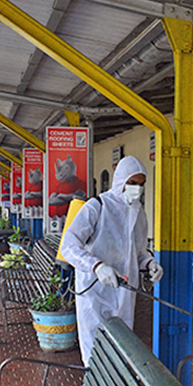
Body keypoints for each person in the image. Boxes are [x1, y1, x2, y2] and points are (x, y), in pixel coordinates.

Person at [60, 156, 164, 365]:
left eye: (141, 184)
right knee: (94, 350)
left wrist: (150, 263)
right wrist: (96, 266)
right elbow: (69, 246)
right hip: (94, 291)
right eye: (132, 183)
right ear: (120, 181)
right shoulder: (97, 206)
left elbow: (138, 251)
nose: (137, 189)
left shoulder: (138, 213)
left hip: (125, 291)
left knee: (122, 348)